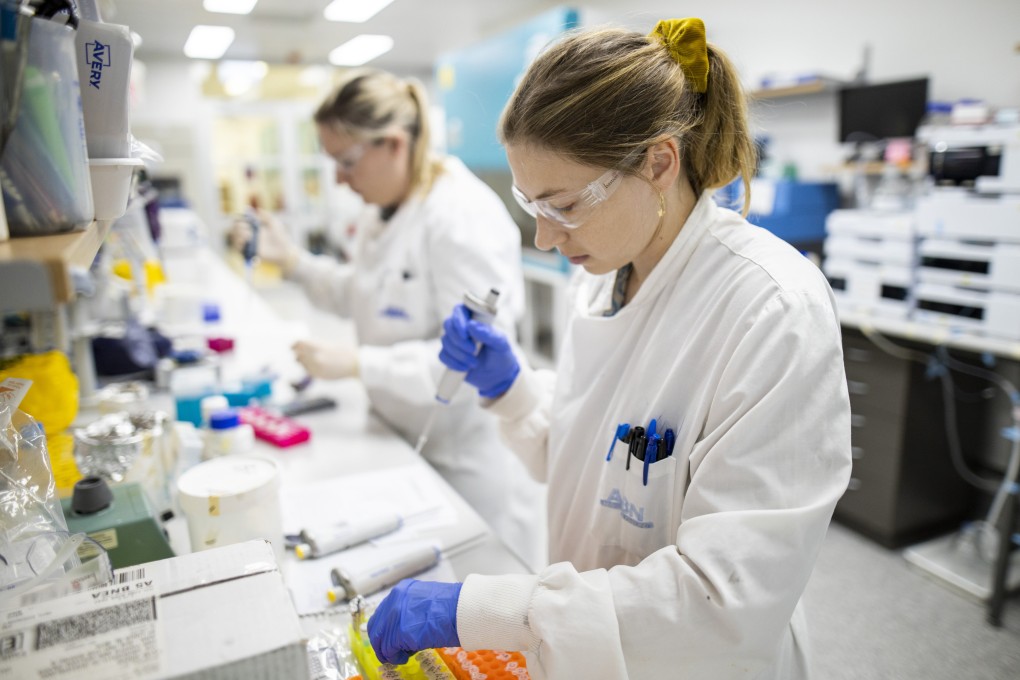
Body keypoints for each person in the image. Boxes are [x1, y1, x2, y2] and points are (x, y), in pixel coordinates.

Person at [367, 18, 852, 679]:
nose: (542, 237)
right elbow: (601, 477)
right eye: (529, 203)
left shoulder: (770, 309)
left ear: (658, 162)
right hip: (589, 645)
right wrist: (511, 392)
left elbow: (724, 601)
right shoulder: (599, 279)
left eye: (562, 205)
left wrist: (482, 609)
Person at [232, 68, 547, 570]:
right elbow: (361, 293)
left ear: (394, 144)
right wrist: (291, 261)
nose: (338, 177)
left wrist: (360, 364)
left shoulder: (458, 216)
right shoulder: (382, 211)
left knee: (479, 618)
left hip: (466, 464)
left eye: (347, 161)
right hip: (405, 444)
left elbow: (474, 358)